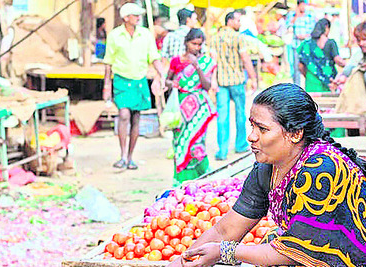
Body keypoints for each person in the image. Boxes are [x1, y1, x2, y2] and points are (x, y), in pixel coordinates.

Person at [104, 83, 366, 267]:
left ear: (296, 133)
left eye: (262, 129)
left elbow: (282, 253)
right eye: (252, 126)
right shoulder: (268, 168)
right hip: (322, 257)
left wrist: (226, 253)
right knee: (270, 252)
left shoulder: (320, 170)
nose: (251, 137)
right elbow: (224, 231)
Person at [103, 3, 165, 170]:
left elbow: (154, 57)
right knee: (124, 115)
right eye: (135, 15)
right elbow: (108, 62)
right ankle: (122, 155)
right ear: (126, 18)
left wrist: (162, 74)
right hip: (121, 80)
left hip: (139, 80)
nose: (138, 17)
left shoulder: (145, 34)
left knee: (136, 117)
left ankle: (130, 157)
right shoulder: (115, 36)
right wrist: (106, 86)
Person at [165, 28, 217, 184]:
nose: (197, 47)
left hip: (199, 108)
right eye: (194, 44)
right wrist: (172, 83)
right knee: (180, 142)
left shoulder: (206, 62)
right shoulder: (176, 61)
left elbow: (207, 86)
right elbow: (167, 80)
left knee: (197, 143)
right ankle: (182, 179)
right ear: (186, 43)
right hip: (181, 107)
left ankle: (201, 177)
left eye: (200, 44)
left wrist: (197, 67)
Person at [209, 11, 257, 161]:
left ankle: (222, 151)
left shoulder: (214, 38)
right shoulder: (239, 38)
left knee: (222, 116)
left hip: (221, 82)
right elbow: (245, 59)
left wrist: (213, 80)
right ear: (229, 21)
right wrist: (253, 77)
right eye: (237, 20)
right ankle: (240, 144)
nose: (239, 23)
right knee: (240, 113)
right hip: (236, 81)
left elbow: (212, 62)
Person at [298, 18, 346, 92]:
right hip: (329, 83)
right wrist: (349, 65)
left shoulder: (307, 45)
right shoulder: (331, 43)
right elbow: (338, 60)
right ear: (326, 27)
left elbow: (300, 66)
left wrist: (309, 74)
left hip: (311, 82)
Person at [286, 0, 316, 86]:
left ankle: (310, 83)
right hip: (296, 44)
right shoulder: (292, 15)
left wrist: (306, 36)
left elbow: (313, 29)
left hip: (307, 45)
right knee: (296, 67)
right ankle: (296, 86)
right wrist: (296, 16)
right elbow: (288, 27)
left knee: (308, 65)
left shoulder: (310, 15)